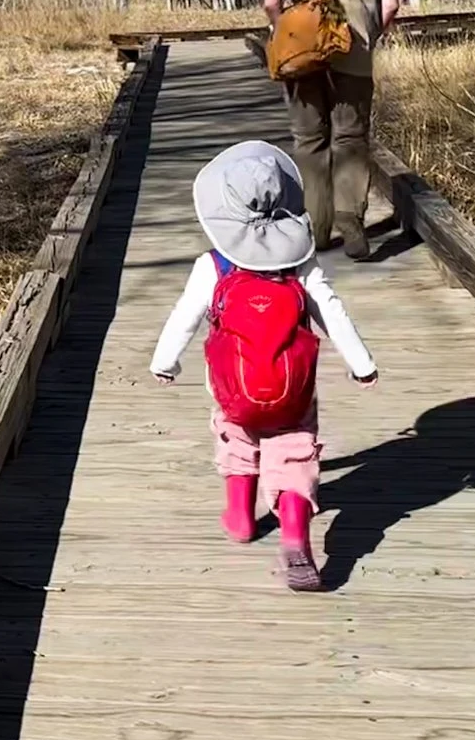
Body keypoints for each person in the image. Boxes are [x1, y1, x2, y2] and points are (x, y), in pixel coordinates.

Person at [151, 140, 378, 592]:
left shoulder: (212, 264)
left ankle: (239, 518)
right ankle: (294, 534)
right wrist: (362, 364)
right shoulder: (300, 264)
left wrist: (166, 362)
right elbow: (332, 313)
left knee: (236, 435)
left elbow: (185, 316)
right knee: (293, 451)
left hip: (233, 384)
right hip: (293, 389)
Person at [261, 0, 407, 260]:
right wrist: (367, 36)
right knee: (351, 138)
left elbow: (271, 1)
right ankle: (352, 222)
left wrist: (288, 34)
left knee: (309, 140)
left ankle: (317, 228)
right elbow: (391, 4)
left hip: (301, 57)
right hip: (355, 53)